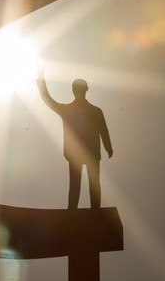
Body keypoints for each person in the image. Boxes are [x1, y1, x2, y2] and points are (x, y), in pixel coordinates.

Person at [37, 69, 113, 209]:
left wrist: (108, 146)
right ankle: (79, 211)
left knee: (83, 185)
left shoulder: (90, 110)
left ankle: (83, 211)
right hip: (82, 153)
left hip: (86, 153)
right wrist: (40, 80)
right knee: (80, 184)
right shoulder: (90, 110)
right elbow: (104, 130)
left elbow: (103, 129)